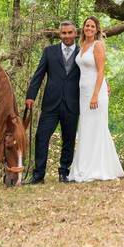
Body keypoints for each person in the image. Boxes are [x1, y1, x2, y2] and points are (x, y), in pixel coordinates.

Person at [67, 15, 124, 182]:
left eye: (92, 26)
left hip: (96, 93)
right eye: (87, 26)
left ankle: (98, 168)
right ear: (83, 28)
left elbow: (101, 71)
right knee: (86, 128)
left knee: (97, 127)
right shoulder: (82, 45)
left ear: (97, 29)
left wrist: (95, 95)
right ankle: (84, 166)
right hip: (83, 93)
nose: (89, 29)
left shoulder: (98, 45)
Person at [24, 21, 81, 183]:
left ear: (75, 33)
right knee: (41, 137)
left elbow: (93, 71)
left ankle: (64, 172)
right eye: (64, 33)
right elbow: (38, 74)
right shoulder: (49, 51)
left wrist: (104, 85)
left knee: (69, 139)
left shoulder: (82, 52)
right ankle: (38, 175)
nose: (67, 36)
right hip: (51, 103)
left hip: (72, 102)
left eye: (70, 33)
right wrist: (30, 96)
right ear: (59, 34)